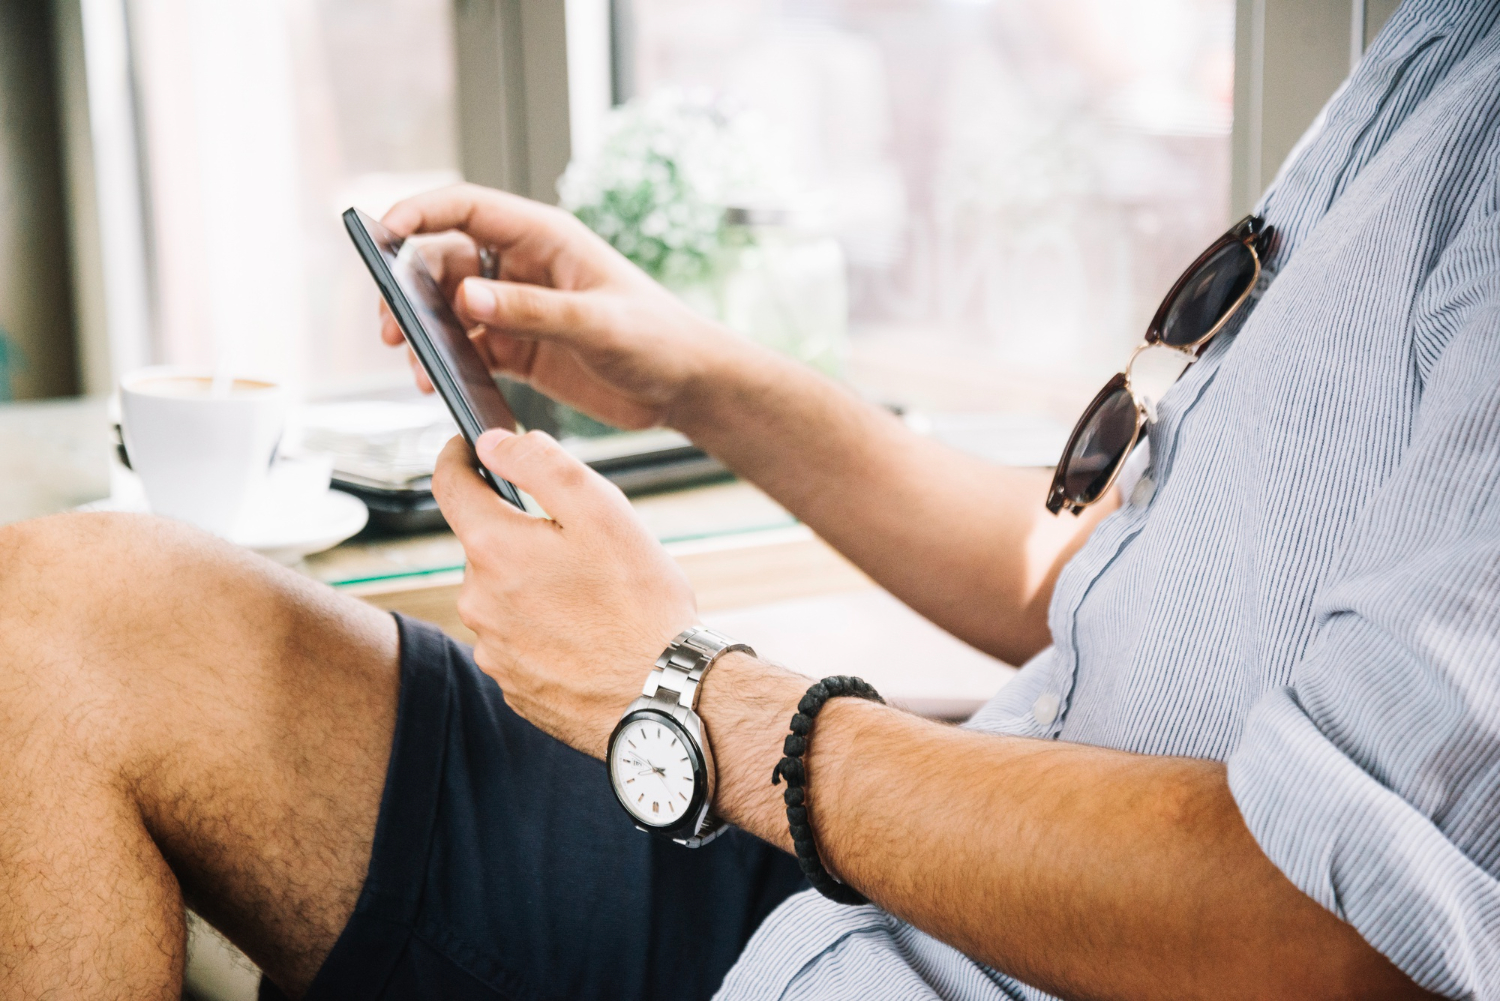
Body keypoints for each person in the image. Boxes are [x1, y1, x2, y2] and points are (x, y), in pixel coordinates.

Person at [3, 1, 1499, 997]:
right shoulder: (1421, 61)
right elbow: (1080, 580)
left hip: (1001, 931)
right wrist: (698, 374)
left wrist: (690, 695)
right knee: (70, 624)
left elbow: (1337, 930)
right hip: (896, 873)